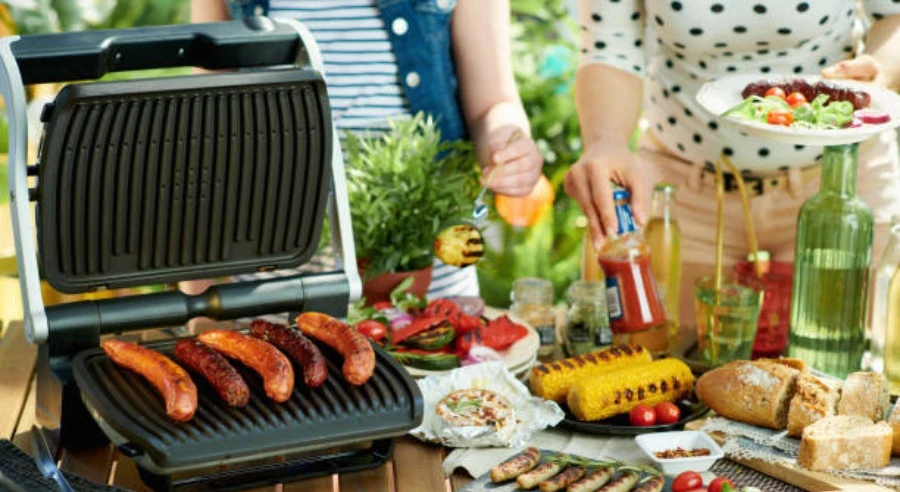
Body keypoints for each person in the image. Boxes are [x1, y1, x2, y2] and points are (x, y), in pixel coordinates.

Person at [565, 0, 900, 328]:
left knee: (844, 364)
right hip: (686, 195)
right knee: (672, 357)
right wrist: (605, 139)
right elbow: (610, 48)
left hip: (841, 188)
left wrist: (881, 69)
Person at [191, 0, 543, 298]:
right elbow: (205, 126)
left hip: (429, 290)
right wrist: (197, 301)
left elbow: (493, 101)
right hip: (273, 287)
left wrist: (508, 142)